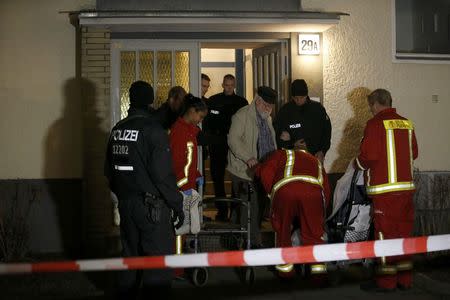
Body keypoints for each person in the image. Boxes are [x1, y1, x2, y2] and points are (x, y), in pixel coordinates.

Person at [104, 81, 184, 300]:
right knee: (157, 264)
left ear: (131, 99)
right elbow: (163, 176)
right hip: (152, 210)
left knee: (130, 259)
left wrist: (125, 196)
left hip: (127, 205)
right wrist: (177, 205)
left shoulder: (118, 130)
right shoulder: (153, 131)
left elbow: (109, 172)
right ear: (150, 101)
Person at [356, 89, 418, 293]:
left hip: (385, 193)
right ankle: (405, 279)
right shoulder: (406, 123)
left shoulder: (374, 124)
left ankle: (386, 282)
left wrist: (357, 164)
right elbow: (414, 153)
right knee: (404, 235)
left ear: (375, 104)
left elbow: (368, 156)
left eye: (370, 106)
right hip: (406, 191)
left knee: (385, 235)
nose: (370, 110)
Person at [255, 139, 330, 279]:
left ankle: (286, 272)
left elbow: (265, 171)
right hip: (313, 194)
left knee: (283, 231)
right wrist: (318, 215)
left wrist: (272, 193)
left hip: (286, 191)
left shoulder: (282, 154)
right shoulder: (316, 161)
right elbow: (325, 191)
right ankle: (317, 273)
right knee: (314, 234)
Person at [227, 86, 277, 248]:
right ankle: (253, 244)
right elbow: (233, 140)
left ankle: (233, 238)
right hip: (243, 171)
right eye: (266, 105)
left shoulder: (267, 119)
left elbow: (271, 143)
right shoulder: (242, 116)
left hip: (262, 171)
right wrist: (248, 158)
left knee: (248, 206)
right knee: (251, 207)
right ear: (258, 101)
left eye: (271, 107)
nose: (269, 109)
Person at [203, 74, 248, 221]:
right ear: (223, 85)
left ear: (234, 85)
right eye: (226, 85)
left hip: (236, 143)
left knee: (237, 176)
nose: (228, 87)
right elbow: (207, 123)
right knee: (217, 177)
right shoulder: (213, 101)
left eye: (231, 85)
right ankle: (222, 211)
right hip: (217, 142)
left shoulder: (242, 102)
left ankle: (235, 212)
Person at [169, 94, 208, 236]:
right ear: (192, 111)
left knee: (186, 226)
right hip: (180, 187)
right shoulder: (179, 132)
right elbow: (176, 161)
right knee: (180, 226)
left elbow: (189, 160)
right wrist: (183, 186)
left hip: (186, 184)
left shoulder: (190, 131)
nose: (200, 121)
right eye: (200, 117)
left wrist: (196, 174)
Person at [274, 79, 331, 163]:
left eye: (302, 97)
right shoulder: (285, 111)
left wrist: (322, 151)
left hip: (315, 156)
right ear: (292, 97)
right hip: (292, 158)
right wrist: (292, 143)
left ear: (306, 95)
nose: (299, 100)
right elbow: (277, 134)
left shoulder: (318, 109)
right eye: (296, 98)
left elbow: (327, 132)